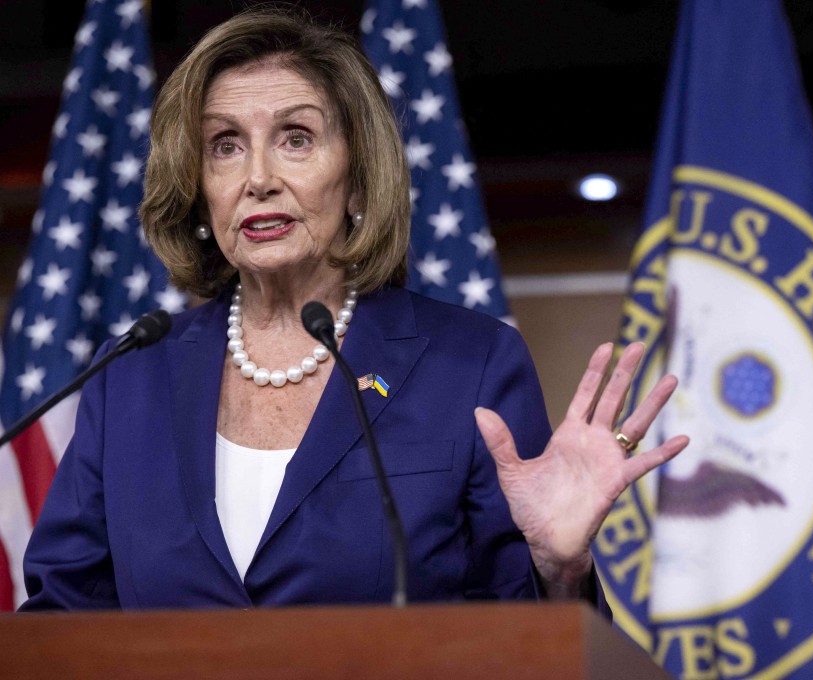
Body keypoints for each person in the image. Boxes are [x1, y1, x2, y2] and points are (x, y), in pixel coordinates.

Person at [20, 9, 688, 610]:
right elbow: (63, 618)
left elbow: (521, 637)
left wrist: (558, 567)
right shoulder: (130, 375)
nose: (258, 178)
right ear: (198, 188)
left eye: (296, 138)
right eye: (225, 145)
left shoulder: (471, 364)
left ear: (359, 178)